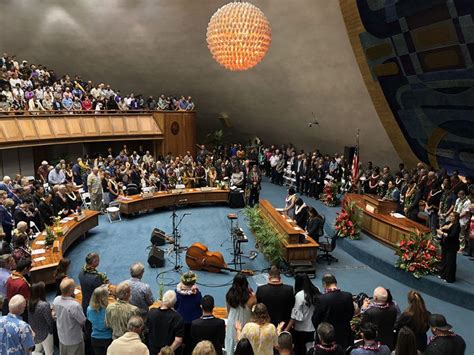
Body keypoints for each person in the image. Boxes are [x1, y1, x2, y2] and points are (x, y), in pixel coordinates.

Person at [312, 274, 354, 349]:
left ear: (324, 284)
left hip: (326, 336)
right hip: (344, 334)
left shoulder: (321, 299)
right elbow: (350, 314)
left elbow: (315, 320)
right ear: (336, 282)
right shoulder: (348, 296)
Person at [285, 273, 320, 355]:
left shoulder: (299, 295)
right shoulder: (316, 290)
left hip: (301, 329)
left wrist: (286, 329)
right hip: (313, 328)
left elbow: (295, 316)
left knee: (300, 351)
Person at [53, 277, 87, 355]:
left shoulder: (56, 300)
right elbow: (82, 321)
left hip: (62, 337)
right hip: (74, 339)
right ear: (71, 290)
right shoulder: (74, 305)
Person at [225, 273, 256, 355]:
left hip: (233, 322)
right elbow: (255, 312)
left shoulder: (229, 294)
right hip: (246, 323)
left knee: (231, 344)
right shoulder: (252, 296)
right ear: (246, 283)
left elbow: (228, 311)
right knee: (245, 346)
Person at [147, 290, 185, 354]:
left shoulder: (151, 312)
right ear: (174, 302)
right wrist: (167, 352)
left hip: (153, 350)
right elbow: (178, 341)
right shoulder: (177, 317)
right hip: (169, 352)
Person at [175, 271, 202, 354]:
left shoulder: (177, 293)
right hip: (193, 322)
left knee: (181, 341)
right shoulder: (197, 294)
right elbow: (200, 305)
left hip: (181, 321)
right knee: (191, 341)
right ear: (193, 282)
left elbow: (175, 305)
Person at [28, 282, 55, 355]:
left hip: (34, 332)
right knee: (49, 352)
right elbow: (49, 321)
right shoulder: (44, 305)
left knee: (37, 351)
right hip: (46, 333)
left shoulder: (28, 303)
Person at [87, 286, 113, 355]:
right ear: (104, 297)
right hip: (108, 338)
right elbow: (111, 324)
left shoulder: (89, 309)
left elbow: (89, 320)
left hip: (95, 338)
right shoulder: (109, 309)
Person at [437, 212, 461, 283]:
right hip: (445, 244)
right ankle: (443, 275)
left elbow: (452, 235)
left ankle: (449, 278)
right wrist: (442, 228)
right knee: (444, 260)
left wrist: (442, 233)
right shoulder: (447, 222)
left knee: (450, 261)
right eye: (450, 216)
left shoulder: (457, 225)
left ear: (456, 217)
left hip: (452, 246)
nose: (450, 217)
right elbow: (440, 229)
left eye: (452, 216)